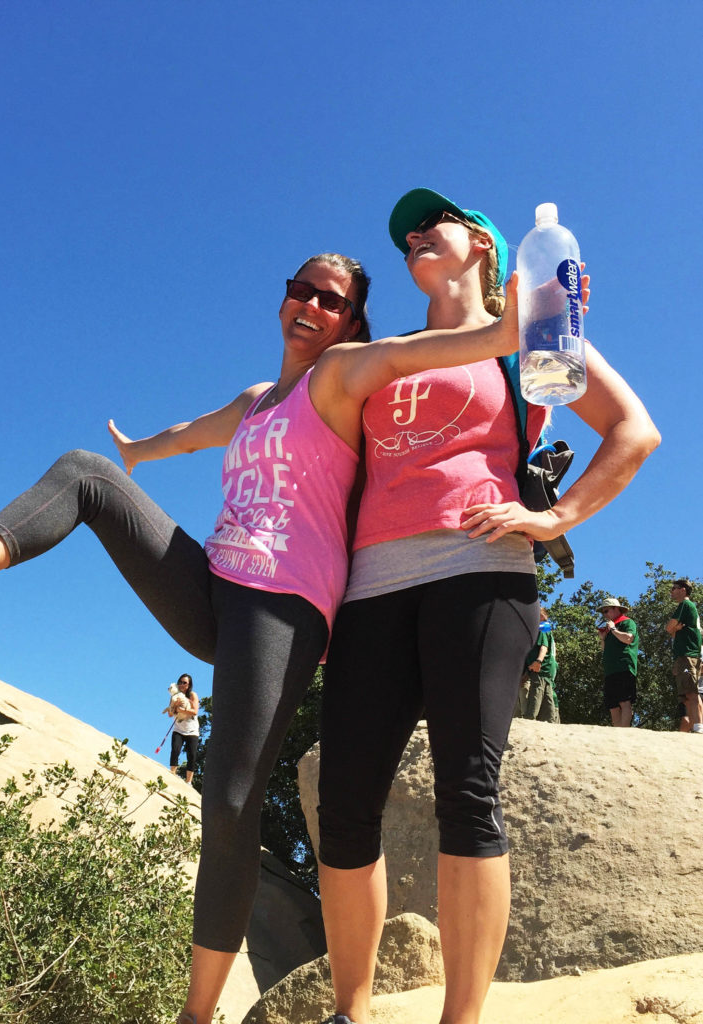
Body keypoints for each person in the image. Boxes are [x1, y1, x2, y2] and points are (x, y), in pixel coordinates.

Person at [0, 250, 524, 1024]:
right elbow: (189, 434)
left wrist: (507, 327)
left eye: (331, 299)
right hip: (218, 587)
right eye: (299, 290)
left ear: (350, 320)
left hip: (285, 603)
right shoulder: (254, 401)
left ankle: (197, 1015)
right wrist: (140, 451)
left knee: (230, 802)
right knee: (87, 473)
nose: (310, 305)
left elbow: (420, 352)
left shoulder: (343, 374)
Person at [316, 189, 659, 1024]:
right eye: (403, 234)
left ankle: (460, 1020)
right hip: (369, 586)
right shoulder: (388, 349)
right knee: (342, 801)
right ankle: (349, 1011)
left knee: (466, 791)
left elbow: (632, 430)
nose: (412, 235)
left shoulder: (537, 335)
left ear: (483, 245)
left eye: (434, 220)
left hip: (481, 571)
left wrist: (553, 517)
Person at [665, 579, 702, 733]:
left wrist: (674, 628)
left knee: (691, 693)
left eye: (674, 588)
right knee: (686, 696)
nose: (671, 591)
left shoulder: (685, 605)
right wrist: (675, 629)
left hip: (688, 656)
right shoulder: (686, 607)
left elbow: (669, 627)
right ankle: (696, 728)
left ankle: (699, 727)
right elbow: (672, 630)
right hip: (683, 657)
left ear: (683, 590)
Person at [597, 597, 639, 727]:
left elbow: (628, 639)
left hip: (624, 667)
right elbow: (604, 650)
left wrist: (614, 630)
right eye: (603, 612)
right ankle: (617, 732)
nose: (604, 615)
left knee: (624, 701)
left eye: (606, 611)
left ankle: (624, 731)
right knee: (612, 705)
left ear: (616, 609)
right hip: (610, 670)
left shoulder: (627, 622)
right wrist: (603, 638)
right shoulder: (609, 628)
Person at [516, 608, 559, 722]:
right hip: (545, 668)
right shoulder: (545, 628)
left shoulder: (542, 628)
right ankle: (551, 720)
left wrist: (538, 661)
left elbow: (544, 647)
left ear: (543, 616)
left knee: (536, 690)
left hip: (541, 668)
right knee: (547, 693)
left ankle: (530, 717)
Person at [168, 673, 200, 783]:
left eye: (184, 682)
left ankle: (188, 782)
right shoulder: (174, 696)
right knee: (175, 750)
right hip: (178, 728)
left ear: (189, 685)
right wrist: (175, 705)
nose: (181, 684)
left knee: (192, 754)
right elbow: (170, 714)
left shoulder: (193, 695)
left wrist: (182, 710)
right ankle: (172, 774)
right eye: (180, 682)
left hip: (192, 730)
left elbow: (195, 711)